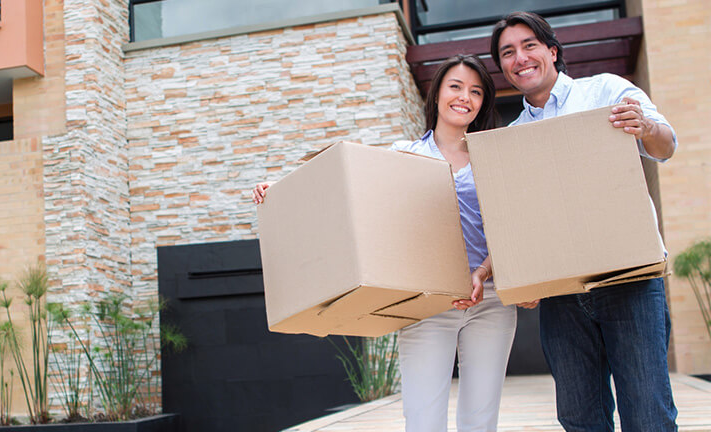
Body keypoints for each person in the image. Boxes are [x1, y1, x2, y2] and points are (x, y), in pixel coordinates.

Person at [254, 54, 520, 432]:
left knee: (481, 418)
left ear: (484, 101)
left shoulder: (493, 157)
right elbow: (351, 188)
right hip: (428, 304)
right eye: (456, 87)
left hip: (490, 300)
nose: (465, 97)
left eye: (476, 91)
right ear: (437, 94)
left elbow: (512, 226)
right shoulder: (406, 154)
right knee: (423, 417)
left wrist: (482, 272)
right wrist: (279, 191)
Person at [490, 11, 678, 432]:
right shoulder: (511, 137)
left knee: (648, 415)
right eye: (508, 53)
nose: (520, 58)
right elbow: (520, 221)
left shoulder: (606, 91)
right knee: (579, 419)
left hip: (628, 278)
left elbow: (665, 146)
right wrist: (524, 277)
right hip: (561, 295)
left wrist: (644, 126)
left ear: (552, 51)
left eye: (529, 46)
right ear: (502, 67)